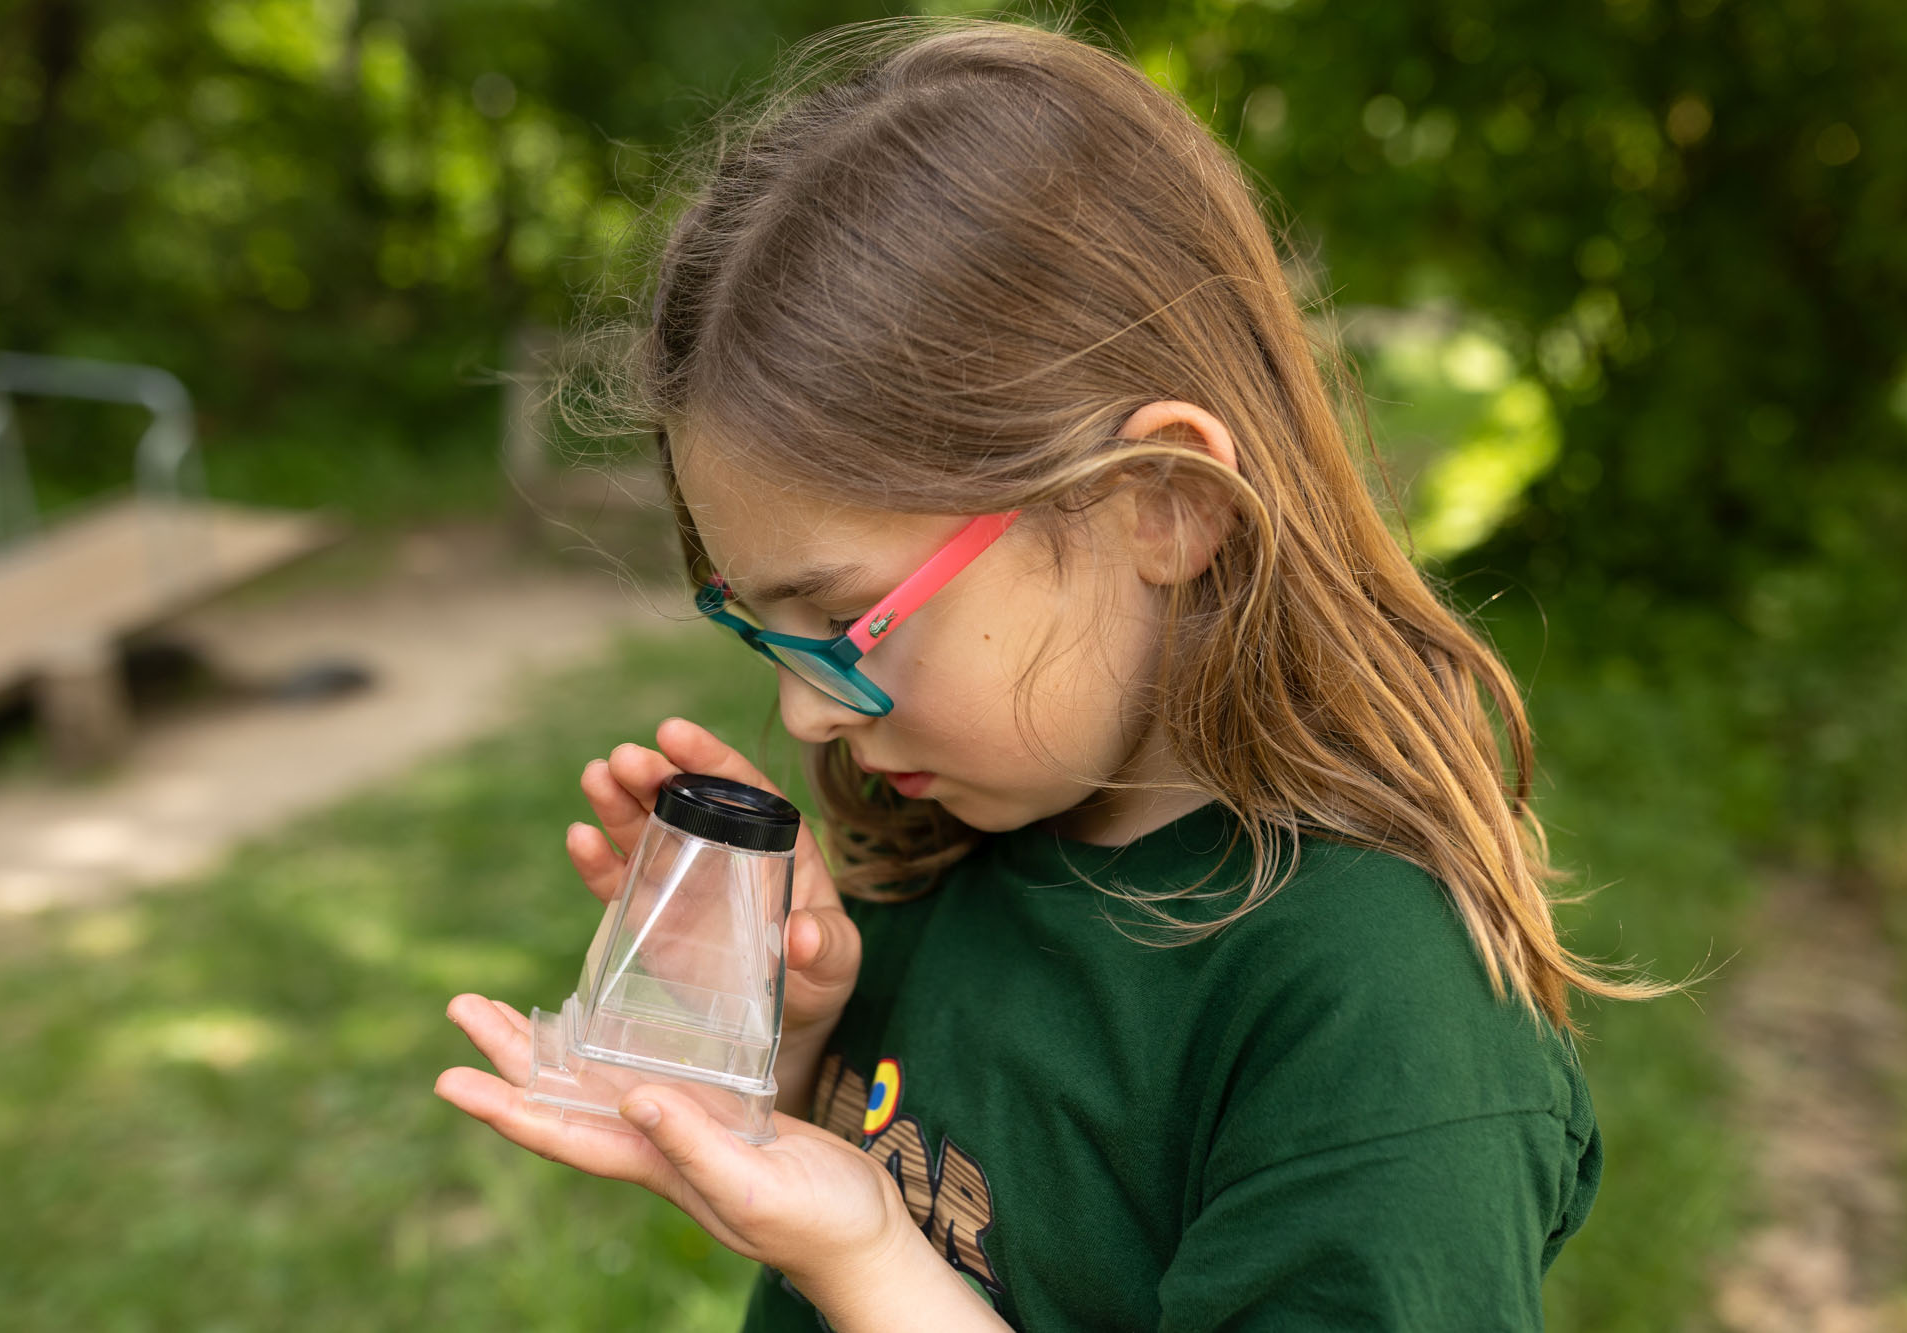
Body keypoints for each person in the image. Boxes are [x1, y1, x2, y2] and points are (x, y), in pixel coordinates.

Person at [436, 17, 1662, 1330]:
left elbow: (906, 1257)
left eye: (851, 623)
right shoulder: (954, 835)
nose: (805, 711)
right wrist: (781, 1052)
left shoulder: (1378, 1027)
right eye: (762, 631)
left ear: (1159, 502)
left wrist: (870, 1261)